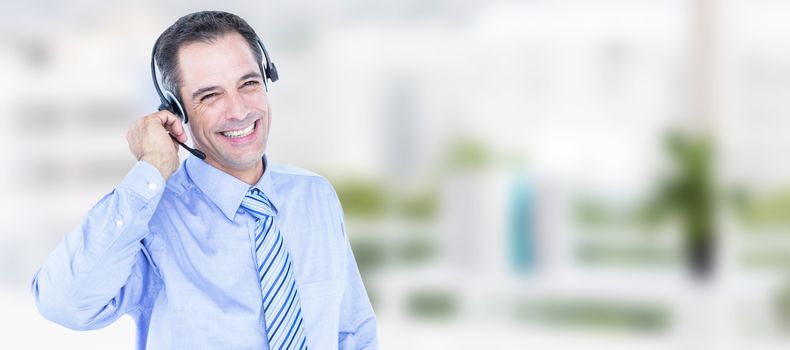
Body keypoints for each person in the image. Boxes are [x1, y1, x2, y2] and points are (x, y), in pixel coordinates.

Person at [31, 11, 378, 349]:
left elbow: (352, 331)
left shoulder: (314, 195)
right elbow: (63, 302)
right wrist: (152, 168)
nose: (239, 110)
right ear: (177, 112)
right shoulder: (152, 220)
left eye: (249, 84)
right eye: (210, 95)